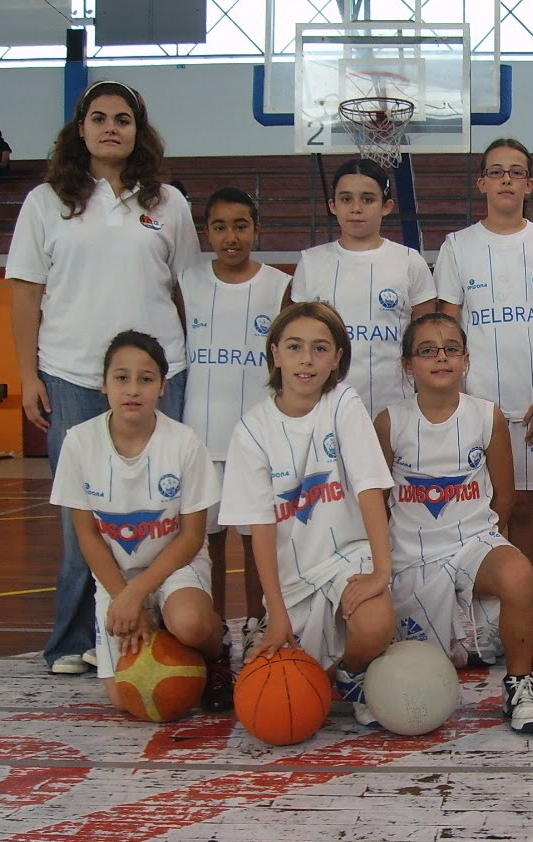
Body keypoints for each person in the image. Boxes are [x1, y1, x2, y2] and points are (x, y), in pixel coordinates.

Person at [7, 80, 200, 675]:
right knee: (83, 517)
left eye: (122, 119)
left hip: (160, 374)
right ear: (80, 128)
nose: (111, 127)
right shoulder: (46, 202)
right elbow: (25, 292)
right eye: (99, 117)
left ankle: (160, 629)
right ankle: (74, 639)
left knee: (160, 509)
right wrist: (27, 374)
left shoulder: (168, 202)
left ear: (139, 131)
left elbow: (191, 290)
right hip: (71, 375)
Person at [218, 302, 396, 727]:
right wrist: (276, 613)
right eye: (294, 347)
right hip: (293, 577)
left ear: (337, 358)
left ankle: (349, 675)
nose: (307, 359)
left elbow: (370, 487)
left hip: (348, 556)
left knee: (375, 623)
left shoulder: (343, 403)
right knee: (279, 695)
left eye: (320, 348)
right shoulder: (251, 432)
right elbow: (260, 529)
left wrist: (381, 571)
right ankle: (323, 671)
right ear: (275, 354)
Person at [375, 312, 533, 734]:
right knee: (426, 673)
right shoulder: (390, 421)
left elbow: (504, 496)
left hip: (473, 542)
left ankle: (519, 684)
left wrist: (484, 550)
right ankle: (448, 639)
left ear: (466, 359)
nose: (441, 358)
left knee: (518, 575)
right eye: (427, 351)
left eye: (451, 349)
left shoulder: (487, 416)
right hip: (413, 555)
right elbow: (377, 503)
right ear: (407, 365)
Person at [49, 331, 234, 712]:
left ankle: (216, 652)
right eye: (121, 377)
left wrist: (137, 595)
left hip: (175, 566)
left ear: (162, 387)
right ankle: (160, 631)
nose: (133, 389)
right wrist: (123, 596)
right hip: (117, 575)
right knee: (125, 700)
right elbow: (87, 536)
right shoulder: (79, 442)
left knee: (190, 623)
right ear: (104, 384)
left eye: (146, 379)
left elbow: (192, 537)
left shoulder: (184, 443)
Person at [435, 138, 533, 567]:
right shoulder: (457, 246)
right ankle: (478, 599)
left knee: (522, 510)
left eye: (516, 172)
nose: (506, 180)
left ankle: (521, 600)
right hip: (476, 405)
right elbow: (448, 330)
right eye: (496, 172)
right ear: (481, 182)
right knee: (477, 509)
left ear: (529, 184)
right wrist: (457, 402)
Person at [178, 187, 291, 659]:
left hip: (256, 442)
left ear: (257, 230)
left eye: (241, 226)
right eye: (220, 227)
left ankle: (257, 624)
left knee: (256, 541)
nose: (231, 237)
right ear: (206, 232)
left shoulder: (280, 286)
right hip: (200, 439)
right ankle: (215, 630)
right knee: (207, 542)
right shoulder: (187, 283)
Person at [290, 158, 435, 421]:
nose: (356, 208)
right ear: (332, 205)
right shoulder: (311, 263)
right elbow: (298, 341)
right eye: (346, 199)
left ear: (386, 206)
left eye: (367, 199)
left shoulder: (410, 262)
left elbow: (426, 341)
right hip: (325, 410)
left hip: (396, 409)